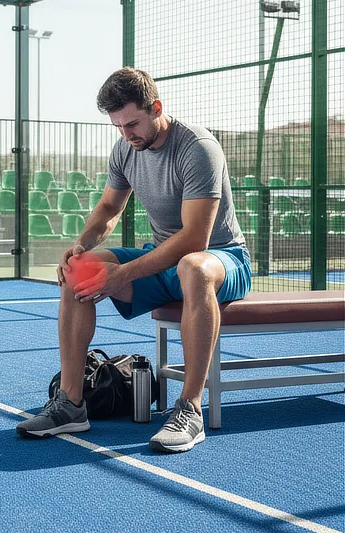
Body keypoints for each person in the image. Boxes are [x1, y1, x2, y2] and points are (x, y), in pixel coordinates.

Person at [16, 67, 252, 453]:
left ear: (156, 106)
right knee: (79, 271)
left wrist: (122, 274)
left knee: (193, 267)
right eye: (118, 127)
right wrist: (82, 244)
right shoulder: (126, 148)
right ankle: (71, 405)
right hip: (163, 260)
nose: (127, 134)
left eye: (133, 123)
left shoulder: (198, 148)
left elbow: (195, 239)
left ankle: (190, 408)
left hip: (221, 259)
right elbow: (109, 207)